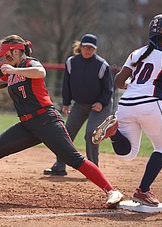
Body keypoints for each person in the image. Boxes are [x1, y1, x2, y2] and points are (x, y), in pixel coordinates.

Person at [0, 34, 123, 207]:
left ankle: (111, 191)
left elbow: (41, 72)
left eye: (7, 55)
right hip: (27, 125)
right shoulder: (11, 69)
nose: (5, 59)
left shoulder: (29, 64)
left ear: (17, 51)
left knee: (74, 159)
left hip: (47, 121)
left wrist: (14, 70)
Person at [91, 14, 162, 206]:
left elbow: (118, 81)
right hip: (150, 104)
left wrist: (133, 85)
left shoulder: (136, 53)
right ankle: (143, 191)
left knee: (127, 154)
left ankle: (114, 132)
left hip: (126, 104)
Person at [44, 34, 113, 176]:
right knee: (65, 134)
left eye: (91, 48)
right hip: (80, 104)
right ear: (80, 47)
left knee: (91, 134)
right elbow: (66, 85)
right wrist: (66, 103)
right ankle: (59, 166)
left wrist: (101, 102)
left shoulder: (101, 65)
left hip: (99, 105)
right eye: (85, 47)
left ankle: (93, 169)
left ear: (95, 49)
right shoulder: (71, 62)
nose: (87, 50)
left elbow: (108, 89)